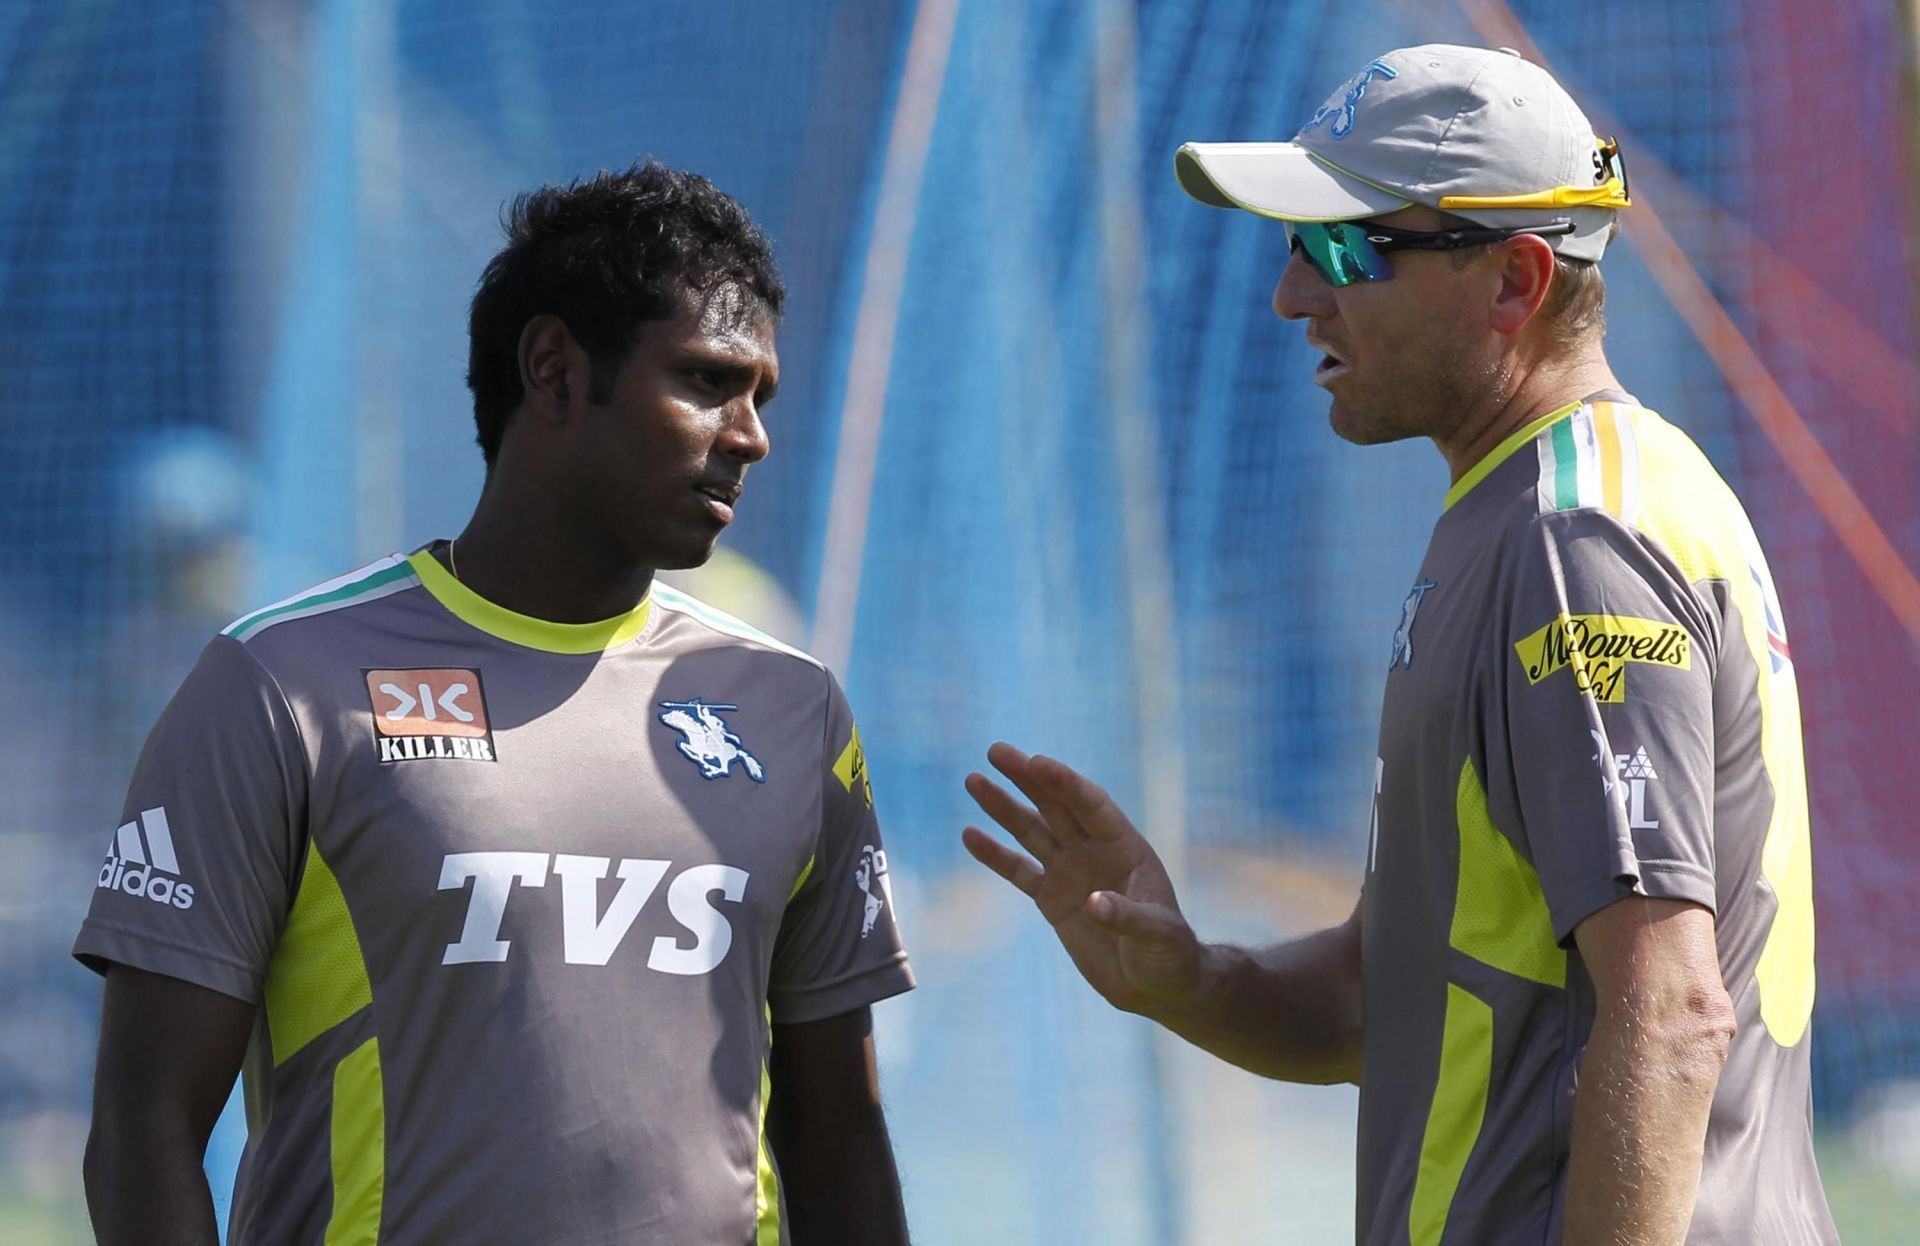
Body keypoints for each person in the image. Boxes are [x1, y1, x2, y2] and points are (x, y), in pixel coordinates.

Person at [963, 44, 1835, 1245]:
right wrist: (1196, 979)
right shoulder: (1534, 509)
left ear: (1516, 281)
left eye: (1340, 247)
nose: (1290, 295)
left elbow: (1672, 1009)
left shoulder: (1574, 538)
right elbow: (1395, 995)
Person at [77, 160, 915, 1246]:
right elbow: (142, 1131)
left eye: (762, 395)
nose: (750, 434)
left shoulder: (792, 710)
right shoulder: (284, 685)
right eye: (709, 381)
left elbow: (839, 1136)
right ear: (555, 369)